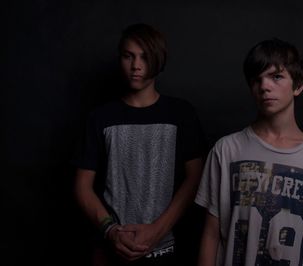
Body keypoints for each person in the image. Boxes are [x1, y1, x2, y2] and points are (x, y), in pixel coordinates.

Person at [195, 38, 303, 266]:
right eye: (257, 79)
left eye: (276, 76)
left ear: (298, 85)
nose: (265, 86)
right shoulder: (227, 150)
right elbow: (211, 233)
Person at [74, 23, 205, 265]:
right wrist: (111, 230)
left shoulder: (181, 114)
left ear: (159, 59)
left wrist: (157, 229)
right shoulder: (100, 117)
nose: (136, 66)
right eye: (128, 56)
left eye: (144, 57)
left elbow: (194, 178)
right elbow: (83, 186)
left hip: (166, 251)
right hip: (110, 250)